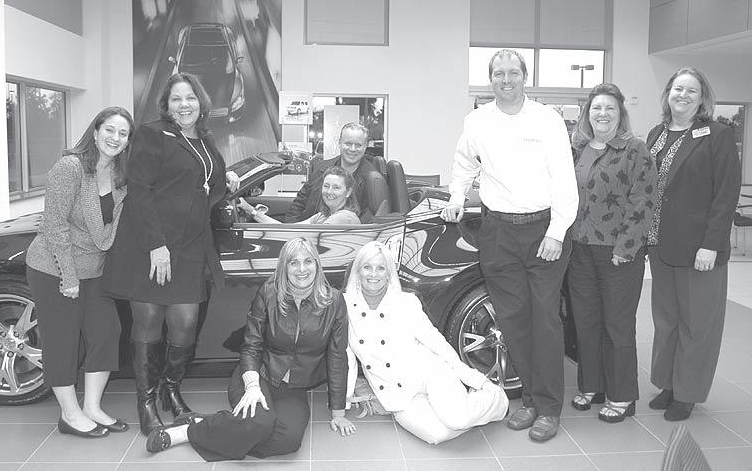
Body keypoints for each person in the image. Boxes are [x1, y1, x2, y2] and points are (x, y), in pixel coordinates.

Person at [440, 49, 578, 442]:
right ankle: (530, 400)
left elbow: (564, 178)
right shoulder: (477, 120)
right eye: (498, 73)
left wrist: (557, 231)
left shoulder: (547, 119)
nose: (506, 80)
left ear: (524, 76)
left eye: (512, 73)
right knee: (513, 320)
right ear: (491, 79)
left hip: (543, 231)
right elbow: (464, 163)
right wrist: (456, 197)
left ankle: (548, 408)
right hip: (498, 231)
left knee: (544, 320)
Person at [104, 73, 238, 435]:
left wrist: (227, 180)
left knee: (185, 324)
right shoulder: (153, 133)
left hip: (191, 247)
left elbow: (207, 183)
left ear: (201, 102)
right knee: (148, 323)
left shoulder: (206, 140)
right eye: (176, 99)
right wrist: (156, 245)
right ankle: (146, 402)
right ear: (166, 105)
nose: (184, 105)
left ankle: (171, 390)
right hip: (151, 246)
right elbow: (139, 190)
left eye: (190, 98)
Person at [143, 238, 355, 460]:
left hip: (294, 387)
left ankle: (206, 423)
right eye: (294, 263)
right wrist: (252, 386)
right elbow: (251, 344)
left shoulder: (334, 301)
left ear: (317, 265)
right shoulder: (269, 293)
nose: (302, 269)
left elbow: (337, 358)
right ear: (284, 267)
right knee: (260, 423)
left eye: (308, 261)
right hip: (257, 374)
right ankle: (185, 432)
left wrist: (338, 413)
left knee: (289, 440)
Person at [25, 107, 135, 438]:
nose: (116, 138)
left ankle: (92, 408)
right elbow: (54, 224)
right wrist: (68, 276)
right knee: (63, 339)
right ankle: (69, 415)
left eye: (123, 133)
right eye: (110, 130)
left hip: (94, 268)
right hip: (54, 266)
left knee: (107, 331)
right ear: (96, 132)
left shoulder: (120, 174)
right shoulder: (70, 167)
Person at [344, 241, 509, 444]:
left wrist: (474, 379)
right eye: (367, 267)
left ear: (389, 273)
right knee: (438, 435)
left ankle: (496, 399)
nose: (373, 274)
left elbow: (436, 343)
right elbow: (347, 358)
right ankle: (462, 407)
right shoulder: (345, 307)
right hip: (397, 394)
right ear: (357, 271)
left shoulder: (405, 302)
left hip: (429, 373)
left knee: (458, 420)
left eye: (381, 268)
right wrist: (344, 401)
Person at [646, 67, 740, 421]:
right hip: (659, 244)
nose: (682, 95)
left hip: (699, 248)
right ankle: (669, 384)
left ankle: (687, 393)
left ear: (702, 99)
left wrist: (711, 244)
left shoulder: (718, 135)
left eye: (691, 90)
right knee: (666, 320)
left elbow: (725, 193)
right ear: (668, 93)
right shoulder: (656, 134)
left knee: (697, 323)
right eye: (677, 88)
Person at [567, 84, 657, 423]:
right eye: (596, 108)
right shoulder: (577, 149)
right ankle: (593, 385)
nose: (602, 114)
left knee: (617, 324)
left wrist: (627, 246)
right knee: (586, 322)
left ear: (620, 114)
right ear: (587, 114)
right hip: (579, 249)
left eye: (609, 108)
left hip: (618, 252)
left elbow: (644, 199)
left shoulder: (635, 149)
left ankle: (622, 395)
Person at [285, 123, 386, 223]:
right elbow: (298, 205)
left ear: (365, 146)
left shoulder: (372, 180)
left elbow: (367, 222)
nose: (352, 149)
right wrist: (290, 230)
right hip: (309, 228)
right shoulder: (320, 168)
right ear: (339, 143)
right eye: (348, 144)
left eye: (358, 145)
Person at [239, 165, 360, 226]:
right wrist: (249, 209)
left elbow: (299, 235)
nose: (329, 192)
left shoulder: (344, 217)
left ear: (348, 192)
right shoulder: (323, 216)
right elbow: (288, 229)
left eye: (336, 188)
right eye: (326, 186)